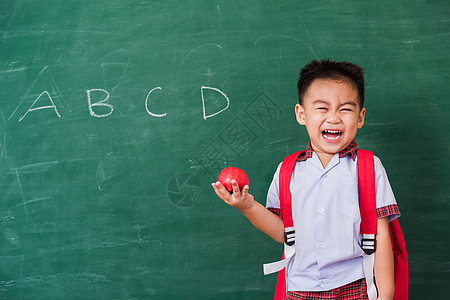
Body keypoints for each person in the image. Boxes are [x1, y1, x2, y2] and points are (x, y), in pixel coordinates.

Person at [212, 59, 400, 300]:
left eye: (345, 109)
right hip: (300, 288)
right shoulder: (287, 170)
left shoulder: (369, 166)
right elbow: (283, 233)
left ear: (360, 117)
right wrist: (246, 205)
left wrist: (386, 295)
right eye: (322, 108)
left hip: (356, 285)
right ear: (301, 114)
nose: (334, 118)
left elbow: (380, 234)